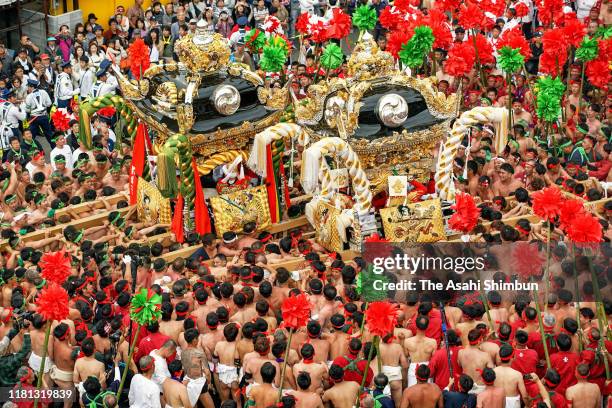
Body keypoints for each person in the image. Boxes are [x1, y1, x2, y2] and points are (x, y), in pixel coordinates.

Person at [24, 79, 52, 145]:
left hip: (34, 118)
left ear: (31, 87)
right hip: (44, 116)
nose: (28, 88)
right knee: (49, 134)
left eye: (28, 86)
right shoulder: (44, 92)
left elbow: (27, 110)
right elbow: (49, 104)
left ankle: (31, 151)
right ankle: (55, 148)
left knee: (31, 136)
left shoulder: (29, 96)